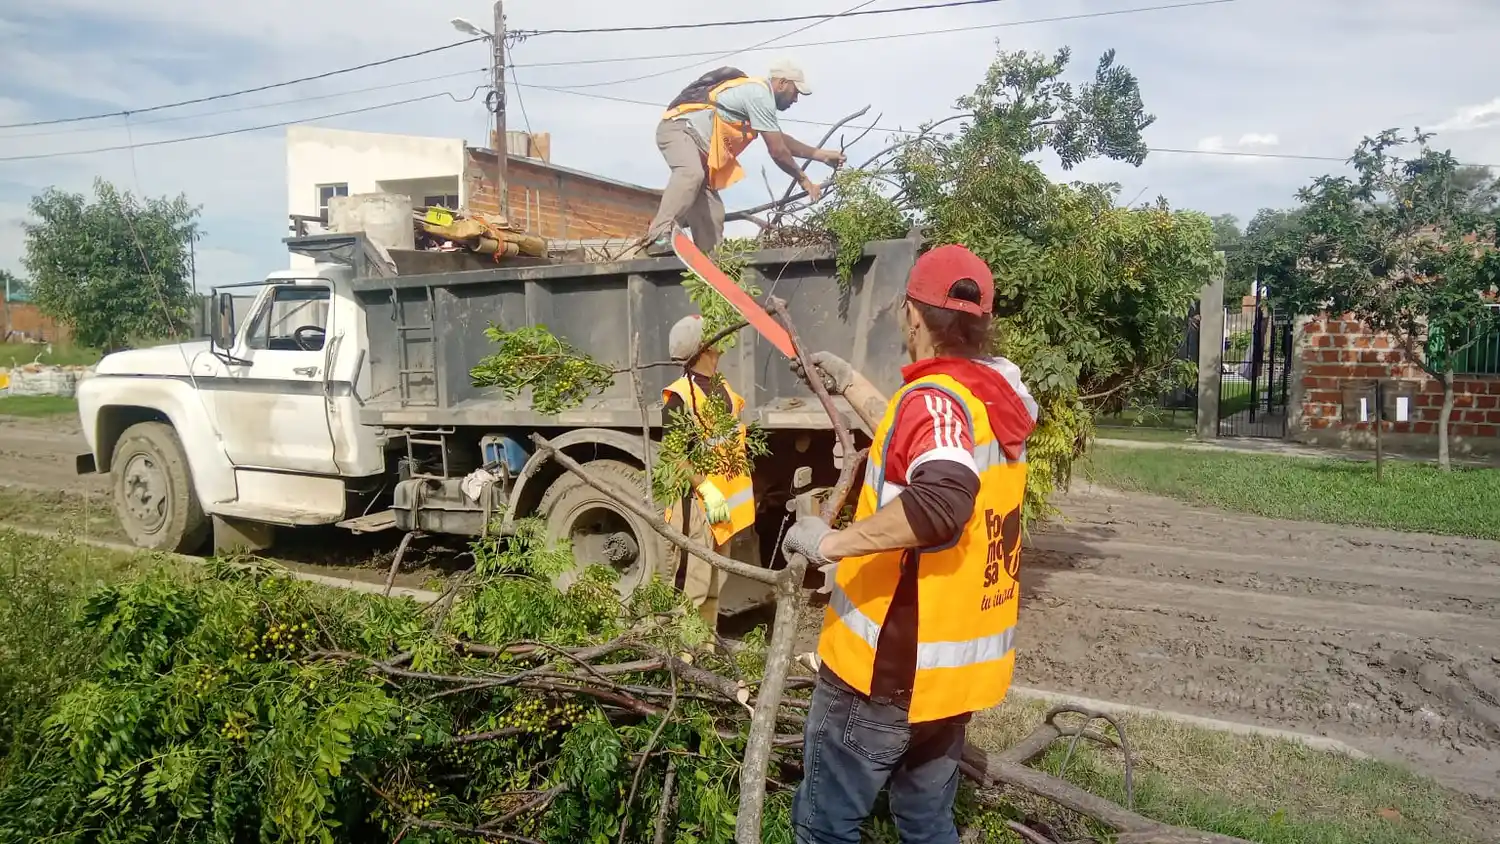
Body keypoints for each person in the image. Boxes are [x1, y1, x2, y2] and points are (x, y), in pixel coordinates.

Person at [780, 245, 1040, 844]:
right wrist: (848, 382)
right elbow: (913, 433)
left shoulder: (938, 402)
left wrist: (832, 543)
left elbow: (942, 501)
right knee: (925, 823)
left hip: (885, 677)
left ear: (913, 317)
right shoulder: (993, 398)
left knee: (825, 828)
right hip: (949, 685)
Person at [646, 59, 846, 256]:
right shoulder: (759, 94)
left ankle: (710, 263)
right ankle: (659, 236)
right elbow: (777, 150)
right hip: (678, 131)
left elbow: (782, 141)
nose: (795, 99)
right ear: (782, 83)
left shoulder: (759, 103)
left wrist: (822, 155)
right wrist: (804, 180)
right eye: (795, 92)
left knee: (713, 214)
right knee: (690, 174)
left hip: (702, 154)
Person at [661, 315, 757, 631]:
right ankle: (684, 656)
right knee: (694, 583)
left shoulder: (721, 386)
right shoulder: (678, 397)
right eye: (714, 342)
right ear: (703, 349)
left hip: (722, 505)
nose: (721, 346)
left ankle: (704, 647)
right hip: (697, 505)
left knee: (717, 578)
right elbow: (674, 456)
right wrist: (707, 489)